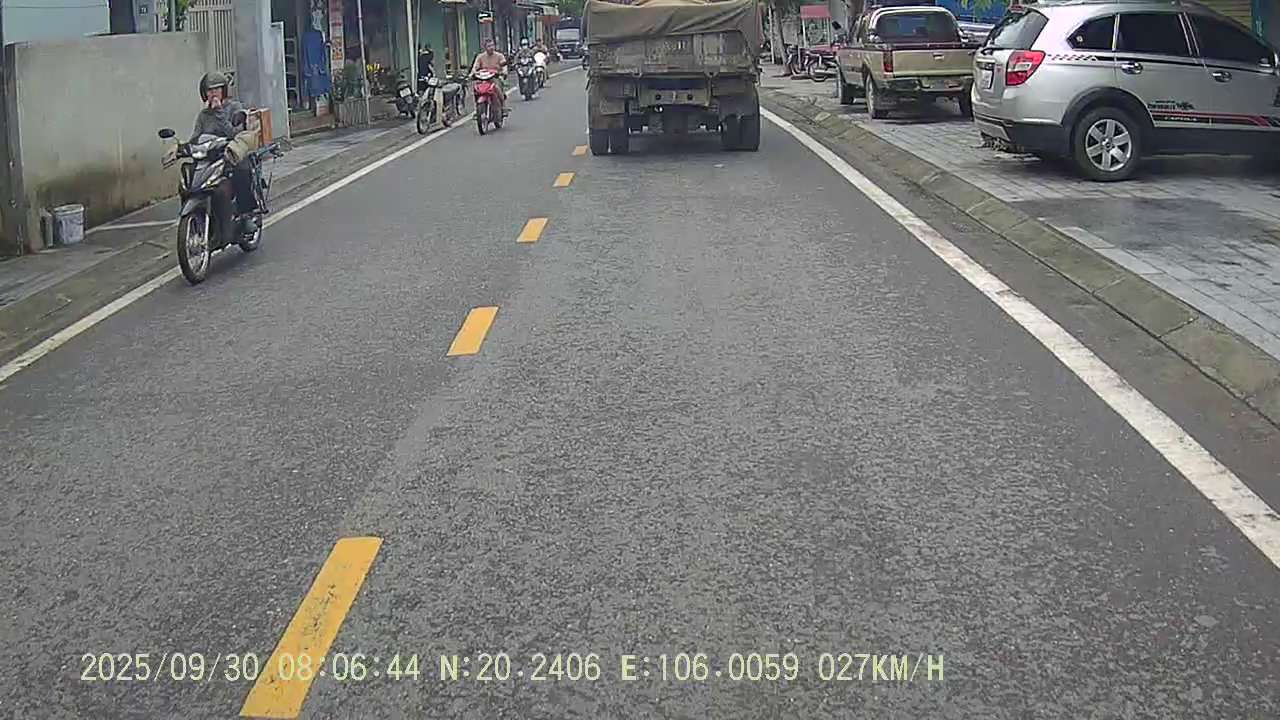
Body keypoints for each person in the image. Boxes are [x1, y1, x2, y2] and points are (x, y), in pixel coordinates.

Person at [190, 72, 260, 236]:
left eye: (217, 89)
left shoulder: (234, 108)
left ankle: (245, 216)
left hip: (231, 156)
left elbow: (233, 133)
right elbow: (195, 137)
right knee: (189, 177)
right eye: (210, 90)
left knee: (241, 171)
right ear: (204, 94)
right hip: (210, 160)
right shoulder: (203, 116)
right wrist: (185, 147)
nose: (213, 93)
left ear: (224, 91)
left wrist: (220, 112)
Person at [470, 39, 509, 114]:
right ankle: (477, 109)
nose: (491, 47)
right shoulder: (480, 57)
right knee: (476, 88)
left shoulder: (499, 56)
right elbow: (475, 67)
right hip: (483, 78)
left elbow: (504, 66)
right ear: (485, 47)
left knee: (497, 87)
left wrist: (504, 72)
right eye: (489, 46)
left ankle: (503, 105)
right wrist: (472, 74)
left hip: (495, 77)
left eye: (492, 45)